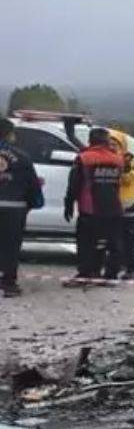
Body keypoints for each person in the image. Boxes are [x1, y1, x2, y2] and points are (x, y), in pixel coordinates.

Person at [64, 127, 124, 280]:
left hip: (90, 209)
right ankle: (112, 273)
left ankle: (87, 272)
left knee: (86, 243)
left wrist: (68, 204)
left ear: (91, 140)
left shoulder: (84, 158)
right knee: (113, 242)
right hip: (114, 207)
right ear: (106, 141)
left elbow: (74, 184)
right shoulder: (117, 159)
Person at [0, 118, 44, 297]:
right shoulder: (22, 157)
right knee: (10, 246)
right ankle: (9, 284)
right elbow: (32, 185)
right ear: (10, 134)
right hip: (14, 209)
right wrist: (34, 203)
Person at [106, 129, 134, 279]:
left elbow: (130, 179)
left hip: (129, 206)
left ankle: (132, 269)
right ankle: (114, 267)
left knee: (129, 241)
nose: (112, 146)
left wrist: (124, 168)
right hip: (112, 206)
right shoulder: (107, 159)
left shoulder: (131, 159)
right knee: (114, 240)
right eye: (110, 144)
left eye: (115, 144)